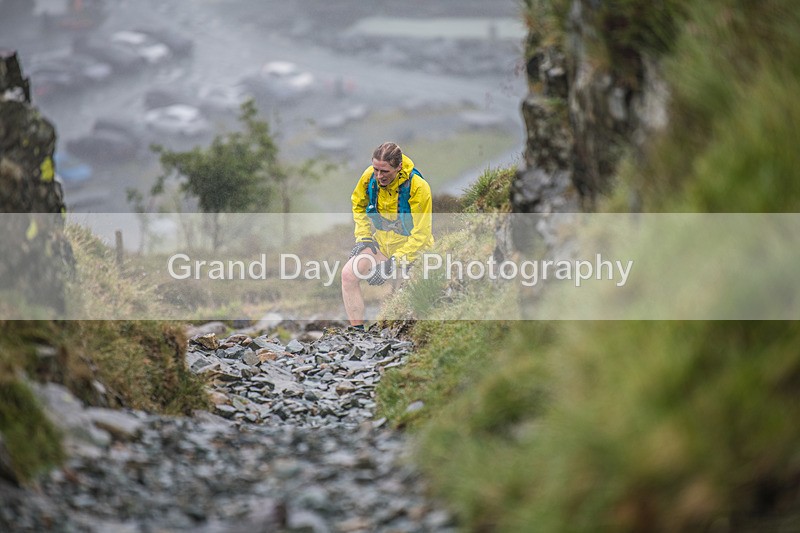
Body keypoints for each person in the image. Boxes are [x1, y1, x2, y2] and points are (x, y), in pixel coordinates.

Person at [341, 142, 434, 329]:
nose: (378, 176)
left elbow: (422, 235)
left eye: (384, 171)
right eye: (376, 169)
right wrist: (364, 237)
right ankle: (357, 333)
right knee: (348, 275)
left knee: (412, 299)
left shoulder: (418, 187)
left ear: (398, 167)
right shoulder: (369, 177)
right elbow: (358, 204)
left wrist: (393, 262)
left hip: (416, 251)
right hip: (382, 245)